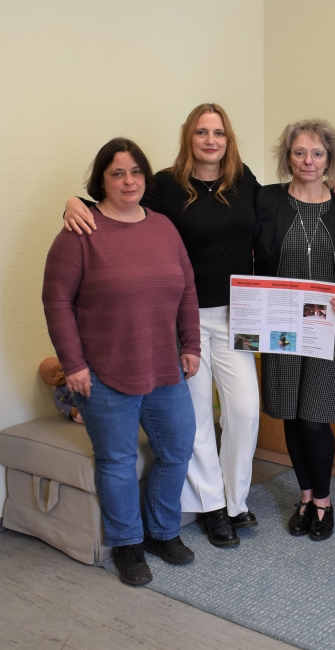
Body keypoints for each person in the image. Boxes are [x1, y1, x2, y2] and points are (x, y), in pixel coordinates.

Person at [63, 104, 261, 548]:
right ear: (188, 137)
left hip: (237, 315)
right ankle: (212, 507)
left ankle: (236, 499)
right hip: (181, 320)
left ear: (229, 140)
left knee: (245, 410)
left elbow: (282, 206)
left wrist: (329, 187)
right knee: (194, 422)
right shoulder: (166, 185)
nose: (210, 140)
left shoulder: (244, 179)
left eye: (219, 133)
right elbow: (116, 204)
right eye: (201, 132)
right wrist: (72, 202)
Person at [43, 138, 200, 586]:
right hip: (103, 370)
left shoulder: (165, 228)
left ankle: (162, 532)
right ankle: (128, 544)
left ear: (145, 177)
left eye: (135, 172)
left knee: (176, 450)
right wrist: (72, 365)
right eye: (117, 173)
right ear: (102, 180)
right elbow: (56, 301)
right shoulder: (80, 232)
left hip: (165, 367)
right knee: (116, 460)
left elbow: (187, 288)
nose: (128, 181)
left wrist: (191, 344)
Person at [254, 119, 335, 541]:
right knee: (289, 412)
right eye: (300, 152)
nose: (308, 160)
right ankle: (304, 497)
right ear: (287, 158)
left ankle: (323, 501)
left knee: (314, 419)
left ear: (330, 159)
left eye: (317, 153)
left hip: (330, 331)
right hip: (279, 328)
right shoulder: (265, 201)